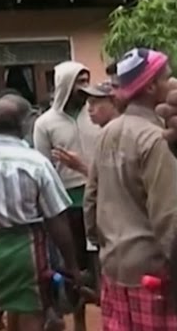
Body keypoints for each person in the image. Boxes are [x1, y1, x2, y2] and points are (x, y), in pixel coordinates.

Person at [0, 94, 81, 331]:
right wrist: (71, 264)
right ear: (24, 123)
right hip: (27, 249)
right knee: (32, 311)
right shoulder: (36, 163)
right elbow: (56, 218)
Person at [84, 48, 177, 330]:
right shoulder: (159, 139)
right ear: (150, 86)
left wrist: (101, 243)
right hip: (154, 275)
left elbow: (91, 200)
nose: (172, 81)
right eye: (166, 77)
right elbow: (168, 216)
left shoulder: (108, 133)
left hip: (114, 267)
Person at [33, 61, 100, 331]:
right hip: (65, 204)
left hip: (96, 199)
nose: (84, 88)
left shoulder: (95, 115)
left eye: (86, 80)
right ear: (65, 85)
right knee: (72, 267)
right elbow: (42, 168)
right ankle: (78, 322)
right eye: (78, 82)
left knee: (99, 264)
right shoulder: (45, 124)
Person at [51, 81, 122, 176]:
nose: (89, 109)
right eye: (88, 103)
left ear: (113, 103)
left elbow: (113, 182)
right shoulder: (105, 133)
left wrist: (80, 166)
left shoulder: (120, 134)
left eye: (94, 102)